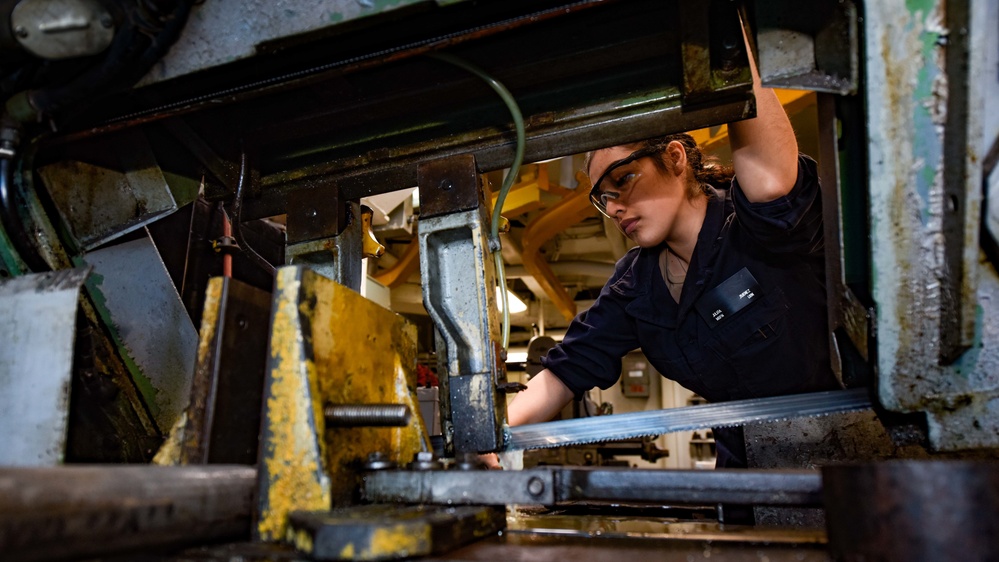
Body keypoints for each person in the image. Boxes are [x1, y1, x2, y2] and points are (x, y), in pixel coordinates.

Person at [490, 43, 839, 470]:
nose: (614, 207)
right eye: (604, 198)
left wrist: (727, 40)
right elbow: (566, 372)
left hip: (843, 455)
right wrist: (491, 438)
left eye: (624, 180)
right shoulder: (636, 286)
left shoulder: (755, 226)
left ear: (675, 158)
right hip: (745, 476)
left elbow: (771, 186)